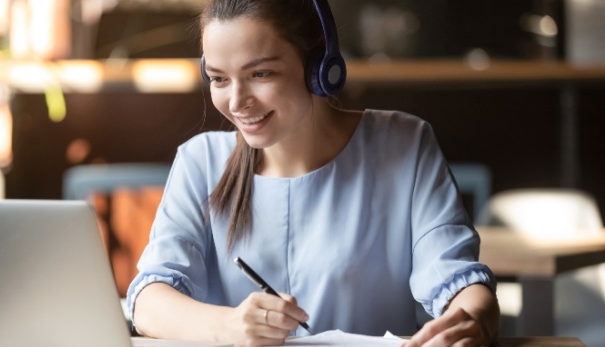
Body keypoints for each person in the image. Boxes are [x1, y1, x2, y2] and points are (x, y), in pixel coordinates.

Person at [127, 0, 500, 346]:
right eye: (219, 79)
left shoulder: (404, 144)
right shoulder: (201, 161)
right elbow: (148, 301)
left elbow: (456, 280)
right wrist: (229, 327)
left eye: (260, 73)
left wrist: (475, 321)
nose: (237, 102)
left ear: (319, 66)